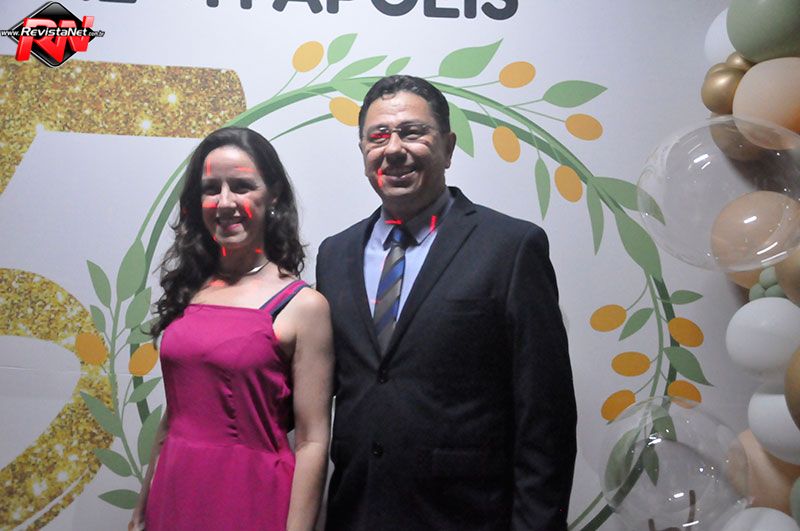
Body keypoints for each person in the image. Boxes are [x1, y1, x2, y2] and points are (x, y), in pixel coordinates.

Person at [315, 76, 577, 530]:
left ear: (449, 147)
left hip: (467, 518)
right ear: (363, 151)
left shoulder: (510, 248)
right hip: (357, 513)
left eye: (413, 132)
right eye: (378, 136)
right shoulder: (334, 254)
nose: (394, 149)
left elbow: (546, 418)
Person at [129, 127, 333, 531]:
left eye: (241, 186)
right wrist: (143, 506)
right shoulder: (191, 288)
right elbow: (175, 416)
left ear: (273, 195)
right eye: (211, 189)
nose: (224, 202)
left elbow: (312, 441)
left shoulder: (302, 305)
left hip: (250, 497)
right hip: (174, 490)